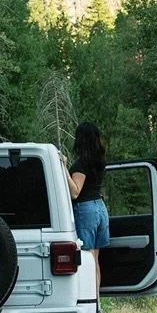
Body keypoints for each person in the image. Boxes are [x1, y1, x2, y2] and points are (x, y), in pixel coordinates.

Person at [64, 121, 110, 301]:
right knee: (95, 262)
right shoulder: (99, 162)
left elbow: (75, 192)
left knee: (88, 262)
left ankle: (90, 305)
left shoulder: (81, 164)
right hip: (100, 208)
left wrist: (64, 169)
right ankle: (97, 305)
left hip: (86, 210)